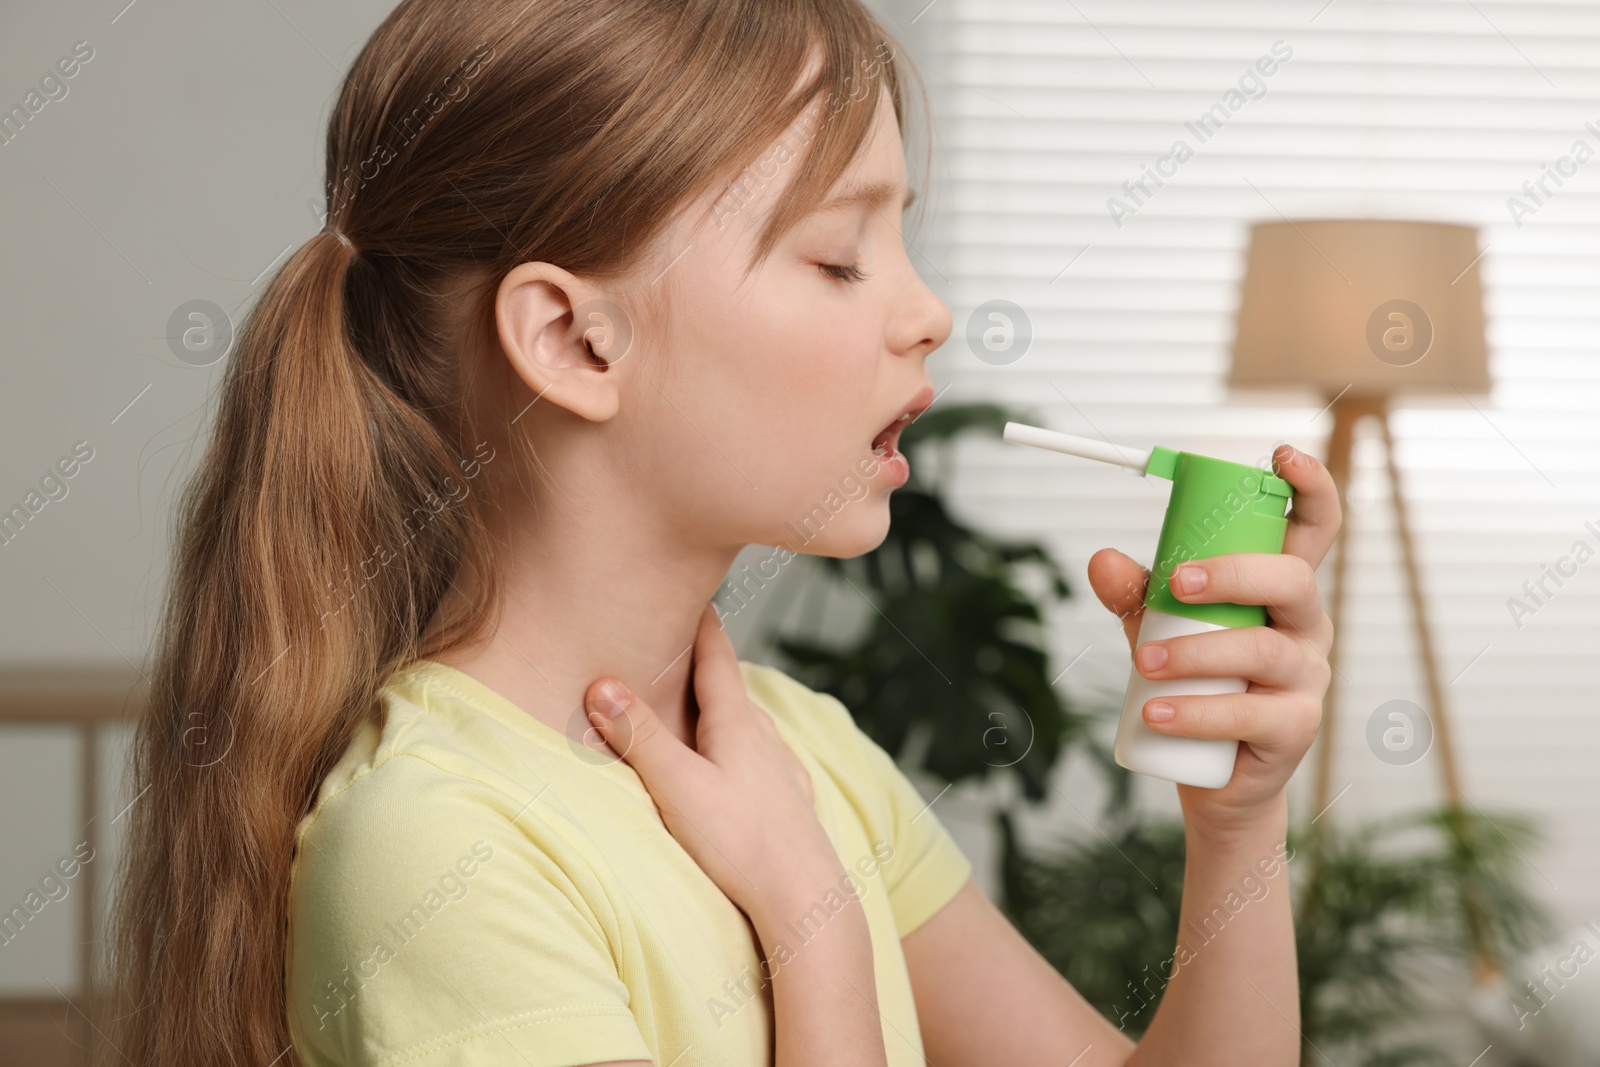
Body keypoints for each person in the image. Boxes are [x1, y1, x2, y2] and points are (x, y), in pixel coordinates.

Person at [109, 0, 1340, 1064]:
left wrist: (1235, 825)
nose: (929, 312)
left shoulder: (802, 756)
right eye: (839, 257)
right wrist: (815, 922)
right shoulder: (437, 849)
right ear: (576, 340)